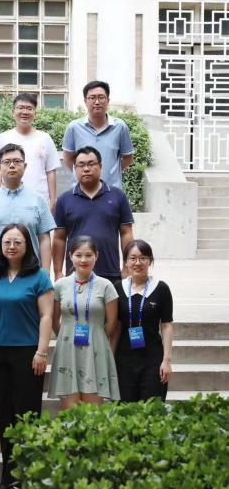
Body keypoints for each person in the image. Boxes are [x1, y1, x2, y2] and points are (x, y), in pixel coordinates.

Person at [0, 224, 53, 489]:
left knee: (27, 414)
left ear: (27, 245)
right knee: (5, 414)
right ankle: (7, 474)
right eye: (7, 242)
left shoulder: (39, 276)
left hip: (28, 353)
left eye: (17, 242)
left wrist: (42, 351)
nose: (11, 246)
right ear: (0, 246)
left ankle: (27, 475)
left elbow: (46, 316)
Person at [49, 236, 120, 408]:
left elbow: (112, 323)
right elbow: (54, 320)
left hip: (96, 350)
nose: (83, 260)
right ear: (70, 256)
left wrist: (96, 337)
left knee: (92, 414)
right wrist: (66, 336)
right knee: (71, 413)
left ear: (97, 256)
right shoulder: (60, 285)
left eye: (88, 255)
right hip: (68, 350)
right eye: (78, 255)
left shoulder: (106, 286)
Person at [0, 143, 56, 285]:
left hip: (30, 273)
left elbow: (44, 239)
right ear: (0, 168)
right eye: (6, 162)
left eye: (17, 161)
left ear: (25, 166)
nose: (12, 165)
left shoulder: (38, 200)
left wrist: (46, 273)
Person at [52, 146, 134, 282]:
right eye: (81, 165)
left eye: (91, 164)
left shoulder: (117, 196)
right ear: (75, 168)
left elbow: (126, 233)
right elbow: (59, 238)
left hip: (110, 272)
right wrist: (58, 272)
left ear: (100, 166)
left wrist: (126, 267)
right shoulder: (64, 200)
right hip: (75, 275)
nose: (86, 169)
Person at [115, 239, 174, 402]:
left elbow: (167, 326)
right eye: (133, 258)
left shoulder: (161, 288)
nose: (138, 263)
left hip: (152, 359)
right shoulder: (118, 288)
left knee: (152, 409)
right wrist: (110, 359)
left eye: (143, 258)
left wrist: (166, 361)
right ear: (126, 262)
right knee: (124, 410)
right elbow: (116, 327)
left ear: (150, 261)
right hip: (124, 360)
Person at [0, 94, 60, 212]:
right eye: (20, 108)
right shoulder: (3, 138)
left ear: (35, 113)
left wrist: (52, 201)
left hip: (39, 202)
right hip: (8, 202)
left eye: (29, 108)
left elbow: (51, 171)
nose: (25, 112)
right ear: (13, 112)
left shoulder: (45, 138)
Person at [62, 80, 135, 191]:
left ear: (108, 100)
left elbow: (128, 158)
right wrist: (85, 175)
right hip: (82, 192)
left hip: (111, 190)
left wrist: (111, 173)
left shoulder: (120, 127)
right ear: (85, 101)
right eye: (92, 98)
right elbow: (68, 159)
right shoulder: (74, 127)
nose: (97, 102)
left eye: (101, 97)